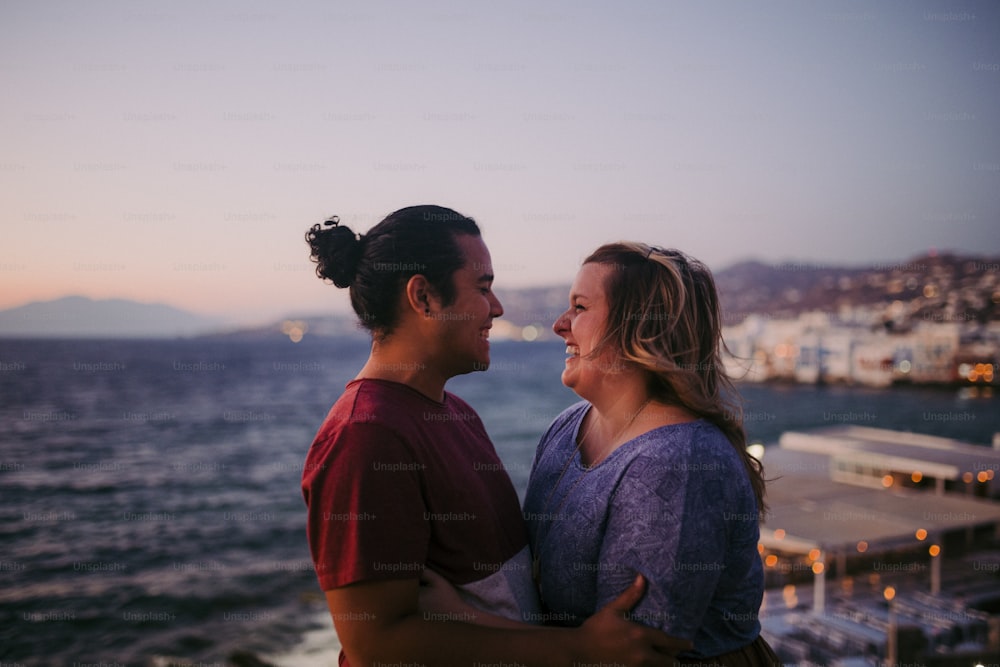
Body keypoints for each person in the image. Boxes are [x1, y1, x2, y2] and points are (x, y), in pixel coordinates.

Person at [300, 207, 691, 667]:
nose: (498, 307)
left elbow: (500, 594)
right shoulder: (364, 436)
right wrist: (578, 649)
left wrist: (467, 617)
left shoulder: (456, 413)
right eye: (483, 288)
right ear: (423, 297)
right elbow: (376, 643)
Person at [521, 242, 780, 665]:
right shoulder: (567, 426)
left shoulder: (677, 464)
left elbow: (632, 654)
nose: (559, 324)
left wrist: (461, 620)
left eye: (581, 308)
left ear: (640, 328)